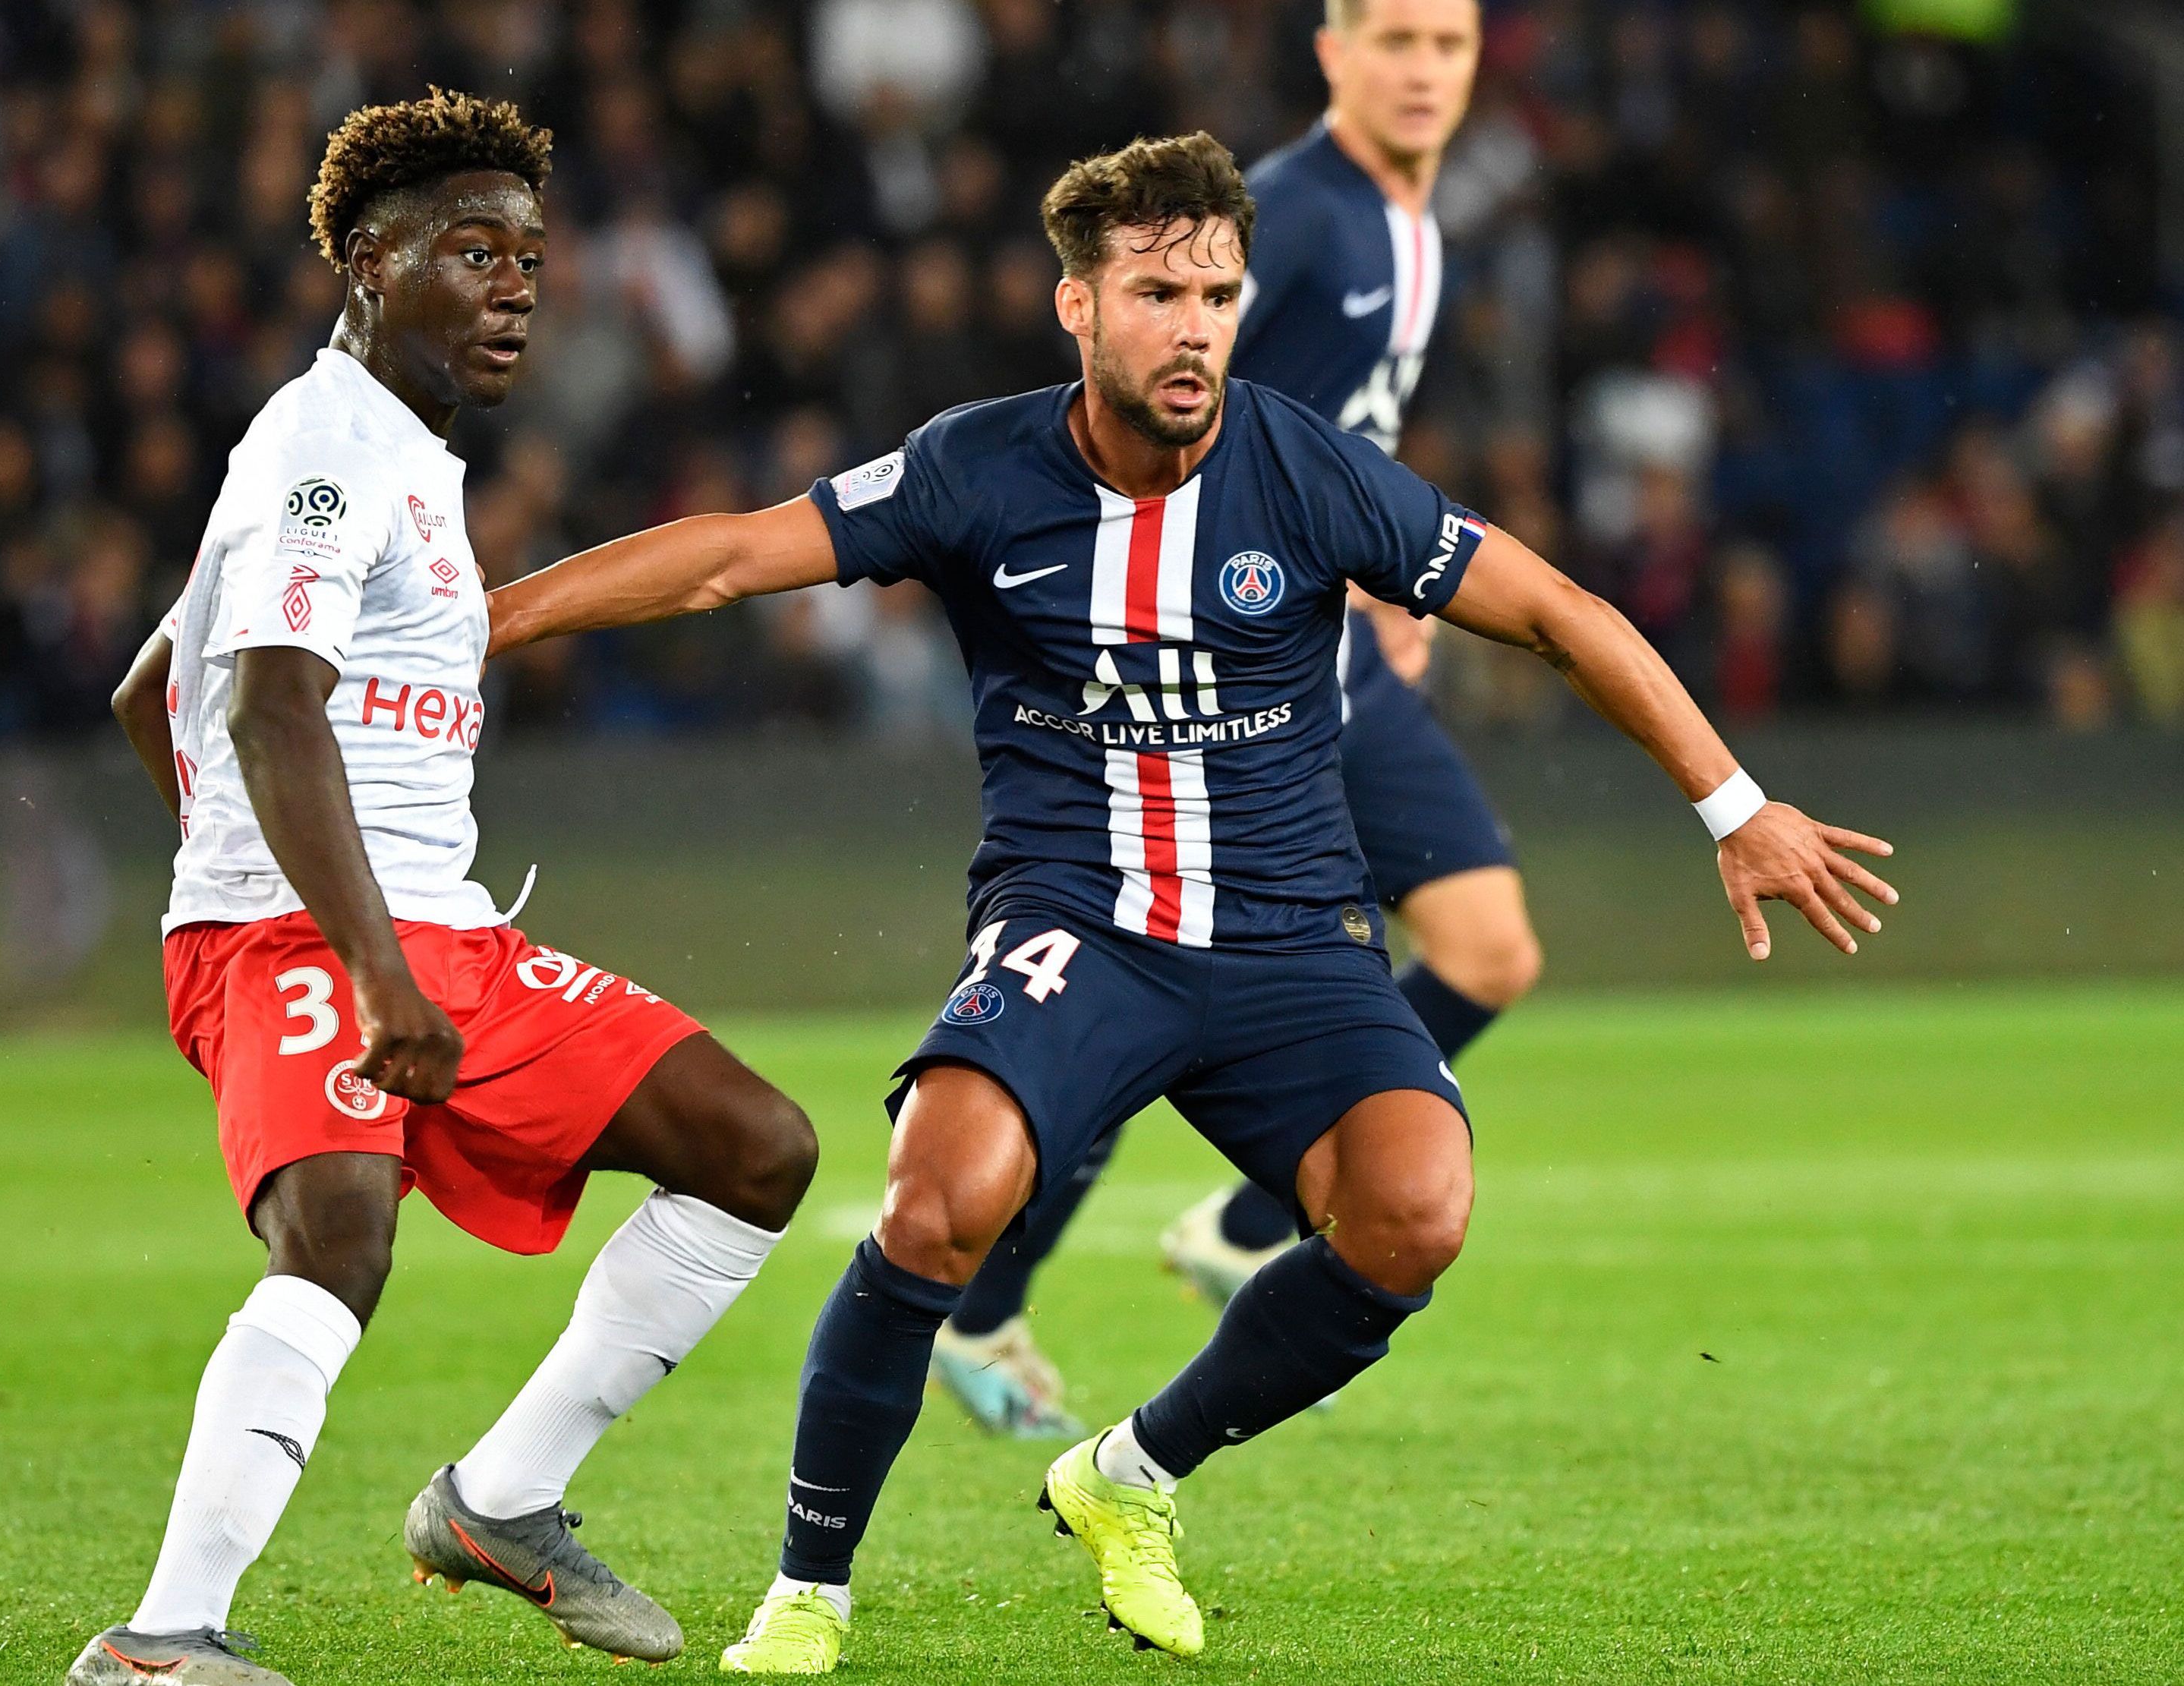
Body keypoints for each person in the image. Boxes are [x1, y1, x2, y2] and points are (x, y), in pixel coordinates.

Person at [486, 131, 1891, 1673]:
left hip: (1291, 935)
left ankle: (1127, 1475)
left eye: (1219, 291)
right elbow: (729, 560)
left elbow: (1554, 609)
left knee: (1417, 1211)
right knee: (935, 1194)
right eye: (1159, 291)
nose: (1198, 325)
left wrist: (1733, 803)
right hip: (1075, 925)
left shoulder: (1305, 467)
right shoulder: (975, 466)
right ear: (1077, 305)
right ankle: (809, 1590)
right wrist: (494, 621)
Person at [69, 93, 819, 1686]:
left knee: (756, 1148)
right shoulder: (324, 446)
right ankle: (161, 1640)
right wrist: (327, 943)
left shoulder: (401, 454)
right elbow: (264, 704)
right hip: (317, 936)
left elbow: (157, 686)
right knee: (340, 1227)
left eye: (530, 255)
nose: (517, 285)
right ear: (364, 262)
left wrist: (362, 921)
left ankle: (501, 1501)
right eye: (471, 251)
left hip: (436, 928)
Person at [925, 0, 1533, 1441]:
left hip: (1331, 645)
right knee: (1162, 960)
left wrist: (1394, 579)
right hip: (1240, 668)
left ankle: (1247, 1219)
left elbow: (1332, 443)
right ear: (1333, 54)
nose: (1423, 71)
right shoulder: (1308, 220)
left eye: (1448, 45)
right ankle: (990, 1294)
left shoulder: (1411, 219)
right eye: (1394, 41)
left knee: (1487, 944)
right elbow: (1209, 433)